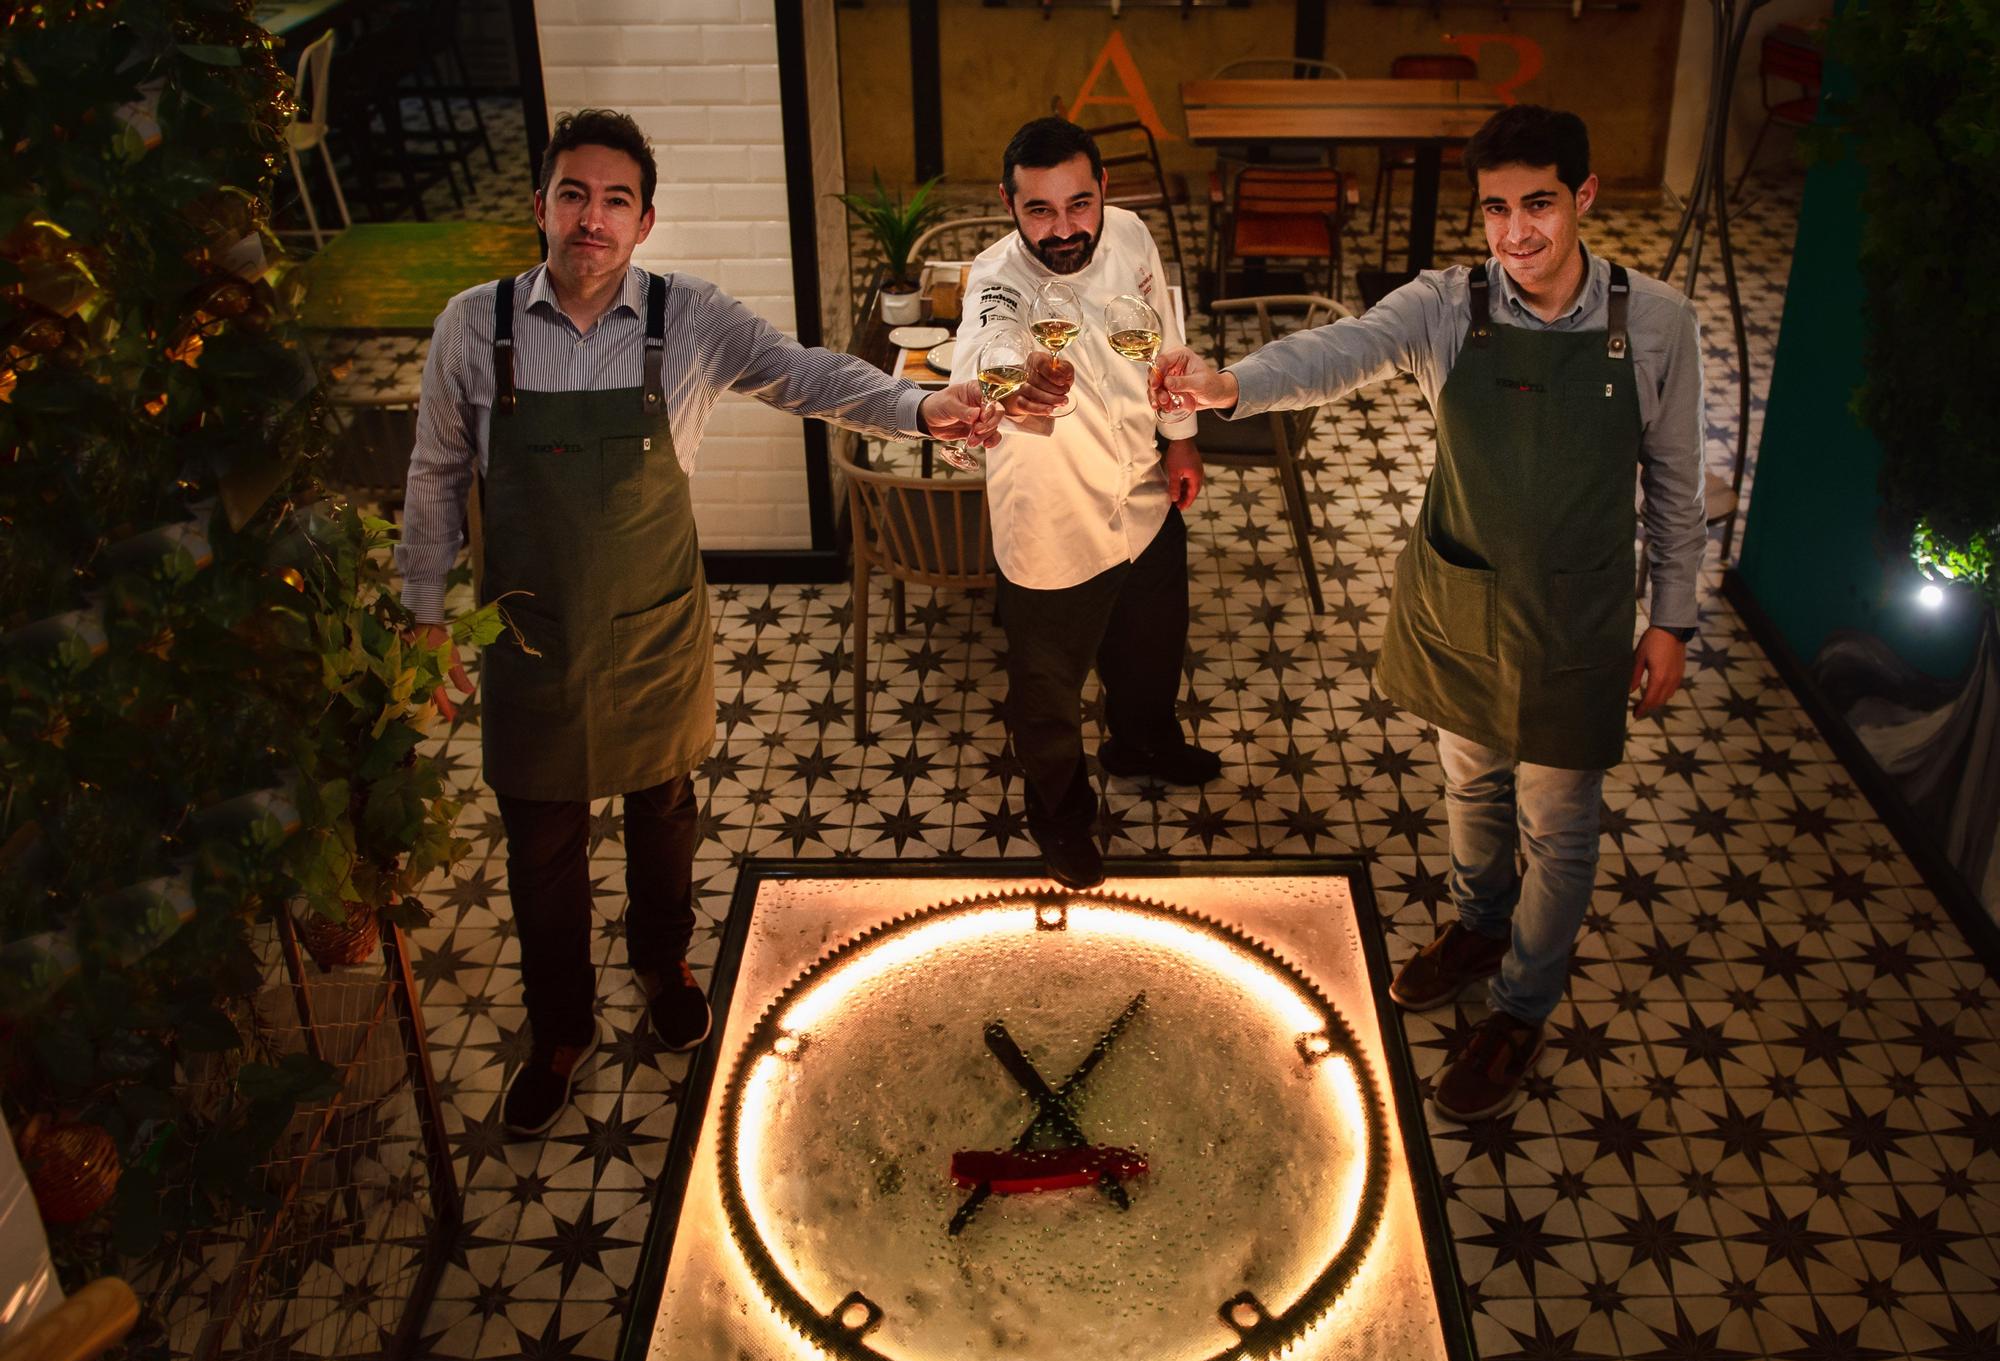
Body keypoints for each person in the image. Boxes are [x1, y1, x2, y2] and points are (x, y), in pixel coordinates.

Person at [398, 110, 1000, 1137]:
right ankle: (559, 1025)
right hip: (530, 637)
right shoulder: (473, 325)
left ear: (644, 222)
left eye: (616, 201)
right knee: (540, 845)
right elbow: (436, 474)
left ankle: (661, 957)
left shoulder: (689, 320)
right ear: (539, 204)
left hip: (651, 626)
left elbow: (807, 374)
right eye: (575, 194)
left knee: (662, 806)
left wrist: (917, 410)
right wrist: (420, 612)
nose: (593, 218)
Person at [1154, 105, 1706, 1121]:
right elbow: (1340, 349)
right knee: (1468, 779)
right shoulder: (1449, 304)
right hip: (1458, 597)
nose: (1515, 234)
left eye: (1537, 204)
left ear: (1581, 198)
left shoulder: (1656, 323)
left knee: (1558, 816)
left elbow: (1674, 483)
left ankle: (1519, 1005)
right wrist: (1232, 383)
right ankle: (1477, 923)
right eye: (1494, 209)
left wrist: (1670, 618)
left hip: (1578, 621)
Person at [952, 116, 1220, 891]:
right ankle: (1060, 817)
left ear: (1103, 190)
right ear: (1009, 203)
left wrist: (1181, 437)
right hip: (1052, 522)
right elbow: (987, 344)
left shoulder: (1133, 235)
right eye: (1039, 211)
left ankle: (1143, 745)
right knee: (1047, 695)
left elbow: (1165, 339)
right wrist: (1016, 376)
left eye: (1078, 204)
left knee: (1152, 647)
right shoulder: (996, 278)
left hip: (1142, 494)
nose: (1063, 229)